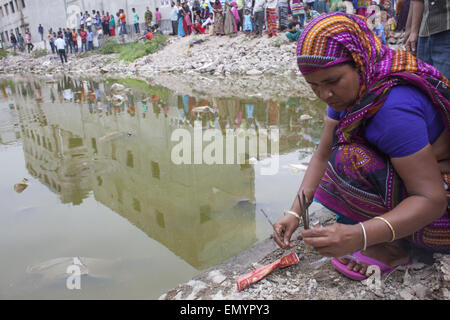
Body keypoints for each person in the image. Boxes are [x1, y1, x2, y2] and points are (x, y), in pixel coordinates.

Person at [273, 12, 449, 281]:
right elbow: (321, 155)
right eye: (314, 86)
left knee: (350, 161)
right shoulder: (356, 88)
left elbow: (431, 200)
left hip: (440, 213)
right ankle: (387, 234)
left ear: (359, 62)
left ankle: (393, 248)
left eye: (332, 82)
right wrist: (294, 212)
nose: (324, 95)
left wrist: (359, 235)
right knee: (340, 155)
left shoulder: (392, 108)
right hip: (423, 180)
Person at [404, 0, 450, 79]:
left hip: (446, 29)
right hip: (424, 32)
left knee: (443, 85)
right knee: (424, 82)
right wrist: (411, 30)